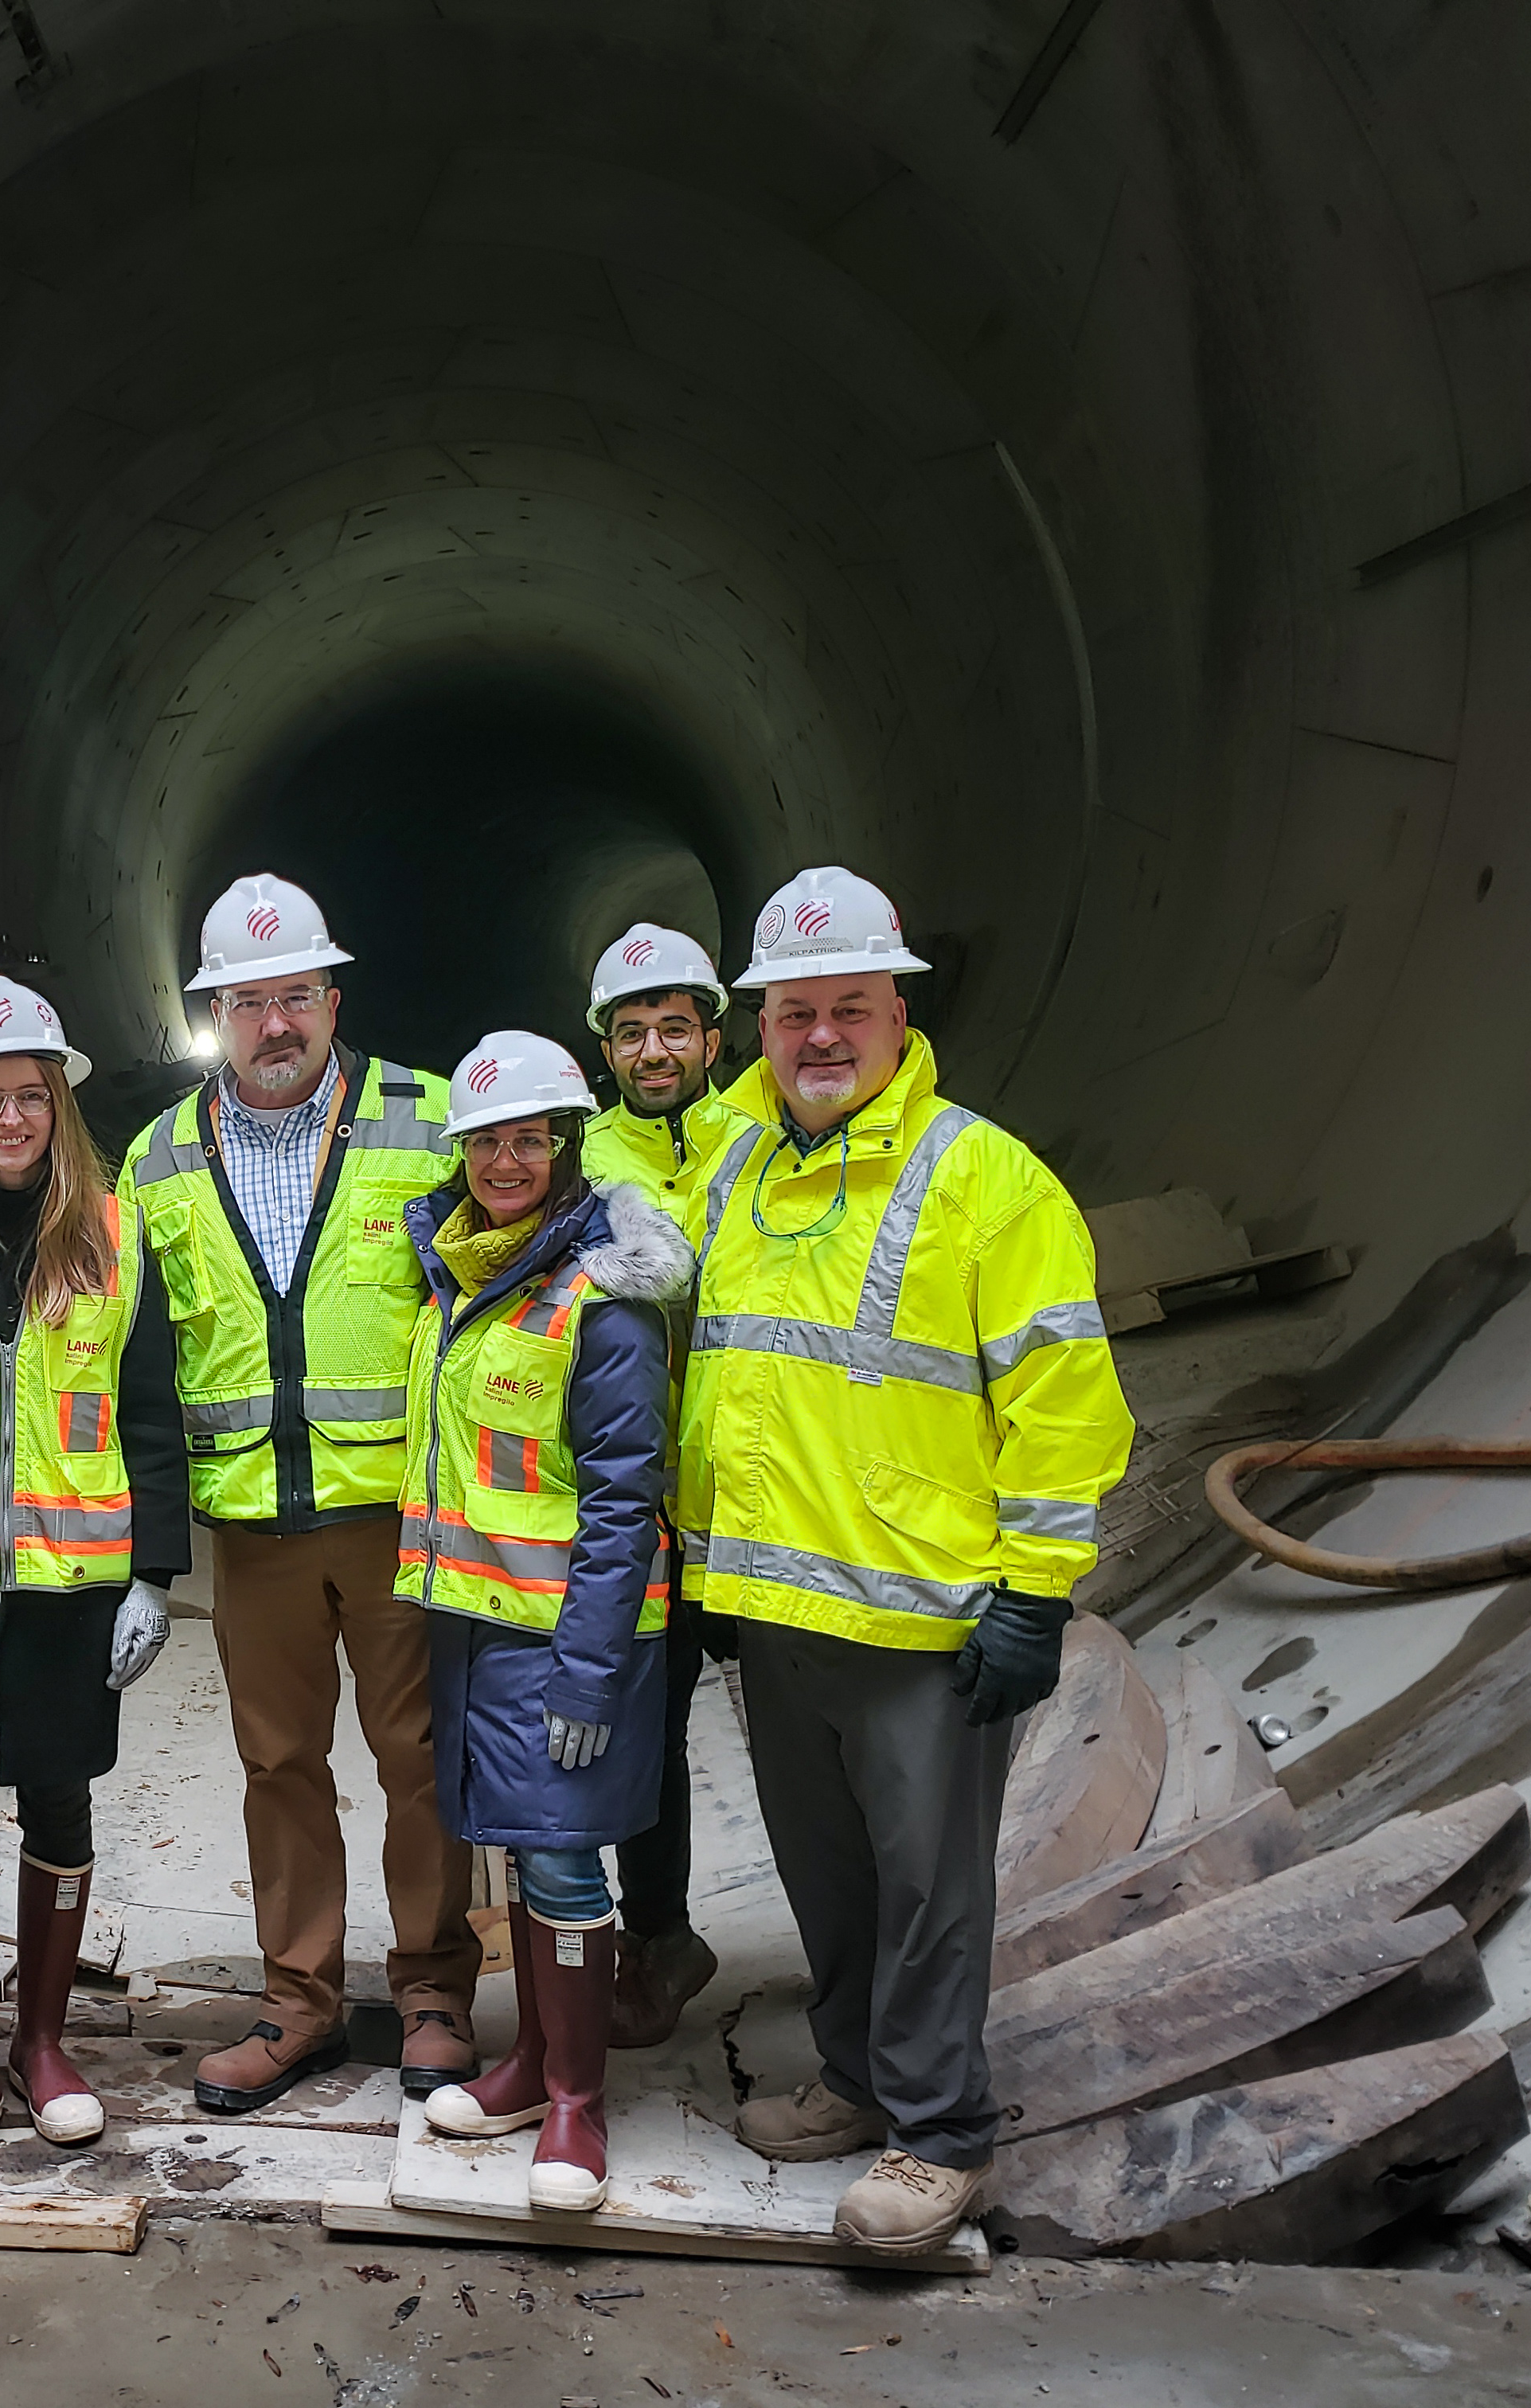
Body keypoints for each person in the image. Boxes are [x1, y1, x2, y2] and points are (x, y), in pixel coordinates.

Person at [678, 865, 1132, 2255]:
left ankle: (940, 2137)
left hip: (928, 1621)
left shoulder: (989, 1182)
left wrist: (1035, 1591)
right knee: (829, 1876)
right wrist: (703, 1568)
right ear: (759, 1022)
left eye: (850, 1010)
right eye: (794, 1010)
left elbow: (1065, 1403)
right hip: (775, 1604)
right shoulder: (731, 1165)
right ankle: (861, 2077)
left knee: (931, 1887)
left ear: (899, 1013)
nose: (821, 1037)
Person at [121, 874, 481, 2113]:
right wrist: (145, 1554)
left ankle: (435, 1993)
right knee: (280, 1766)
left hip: (398, 1514)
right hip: (253, 1525)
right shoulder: (160, 1157)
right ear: (215, 1013)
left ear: (334, 1000)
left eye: (298, 999)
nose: (276, 1026)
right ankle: (300, 2004)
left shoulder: (428, 1120)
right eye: (249, 1003)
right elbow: (139, 1369)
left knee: (422, 1758)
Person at [0, 979, 192, 2187]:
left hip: (69, 1588)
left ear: (59, 1105)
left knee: (58, 1809)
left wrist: (152, 1576)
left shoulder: (115, 1232)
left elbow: (149, 1408)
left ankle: (45, 2051)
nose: (10, 1119)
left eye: (30, 1097)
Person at [398, 1032, 693, 2210]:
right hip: (476, 1624)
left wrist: (587, 1670)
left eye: (529, 1138)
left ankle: (576, 2107)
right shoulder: (466, 1273)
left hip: (565, 1633)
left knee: (567, 1863)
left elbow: (627, 1498)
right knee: (521, 1848)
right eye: (486, 1139)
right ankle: (529, 2065)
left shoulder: (602, 1298)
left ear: (568, 1144)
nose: (505, 1159)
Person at [577, 924, 740, 2048]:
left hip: (768, 1501)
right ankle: (661, 1934)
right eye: (631, 1032)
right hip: (649, 1509)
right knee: (648, 1730)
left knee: (804, 1745)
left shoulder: (768, 1141)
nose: (653, 1050)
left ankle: (856, 1963)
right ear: (606, 1051)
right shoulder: (580, 1161)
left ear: (713, 1038)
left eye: (673, 1028)